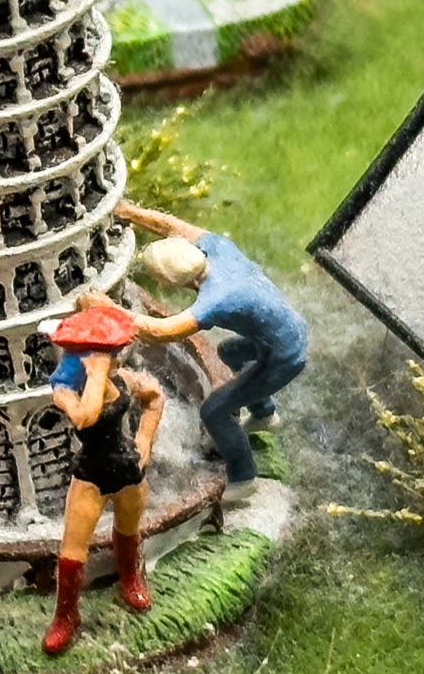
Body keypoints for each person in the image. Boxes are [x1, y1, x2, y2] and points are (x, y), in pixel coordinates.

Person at [103, 201, 307, 505]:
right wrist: (131, 213)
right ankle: (264, 414)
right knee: (229, 352)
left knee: (213, 411)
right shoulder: (219, 249)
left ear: (175, 281)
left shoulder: (216, 300)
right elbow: (173, 227)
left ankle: (244, 478)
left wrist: (106, 308)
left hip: (284, 357)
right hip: (287, 332)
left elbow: (162, 331)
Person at [42, 305, 165, 658]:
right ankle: (66, 615)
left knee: (129, 530)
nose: (114, 360)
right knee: (73, 548)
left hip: (127, 469)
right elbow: (86, 418)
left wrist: (144, 440)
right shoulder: (65, 391)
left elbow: (154, 398)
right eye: (107, 354)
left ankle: (131, 578)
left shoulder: (121, 377)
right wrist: (95, 375)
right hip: (91, 476)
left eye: (112, 354)